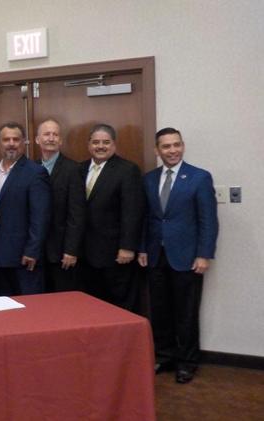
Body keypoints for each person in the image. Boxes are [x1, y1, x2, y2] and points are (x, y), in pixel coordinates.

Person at [138, 127, 218, 384]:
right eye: (166, 146)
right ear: (157, 150)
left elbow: (208, 220)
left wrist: (204, 254)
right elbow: (145, 218)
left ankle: (187, 362)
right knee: (160, 310)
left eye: (176, 145)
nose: (172, 150)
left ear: (182, 146)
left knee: (186, 313)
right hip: (155, 256)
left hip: (187, 257)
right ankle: (164, 356)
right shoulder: (149, 179)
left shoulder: (199, 177)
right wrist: (142, 248)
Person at [79, 124, 144, 311]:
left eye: (106, 142)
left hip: (116, 254)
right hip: (86, 254)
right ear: (89, 145)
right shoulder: (80, 169)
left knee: (120, 305)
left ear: (114, 144)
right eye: (96, 142)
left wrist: (127, 247)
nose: (100, 146)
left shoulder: (128, 170)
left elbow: (132, 212)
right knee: (92, 306)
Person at [0, 122, 51, 296]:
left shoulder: (36, 172)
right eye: (6, 139)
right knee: (3, 306)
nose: (11, 143)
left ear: (24, 142)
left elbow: (40, 217)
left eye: (16, 139)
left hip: (24, 258)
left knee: (30, 308)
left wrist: (32, 251)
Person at [34, 119, 86, 292]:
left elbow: (77, 214)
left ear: (61, 140)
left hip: (62, 252)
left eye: (55, 135)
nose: (51, 138)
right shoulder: (31, 168)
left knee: (63, 299)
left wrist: (71, 250)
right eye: (46, 134)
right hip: (36, 251)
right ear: (37, 139)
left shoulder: (73, 169)